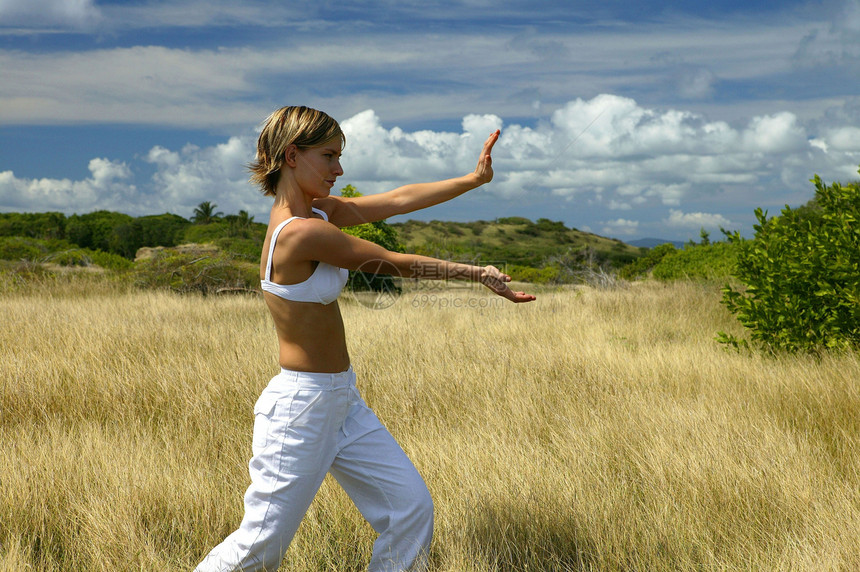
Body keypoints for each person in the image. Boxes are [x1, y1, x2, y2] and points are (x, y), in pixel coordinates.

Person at [195, 105, 535, 572]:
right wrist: (475, 273)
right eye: (330, 156)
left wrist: (472, 180)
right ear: (292, 156)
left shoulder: (319, 212)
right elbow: (391, 262)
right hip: (302, 407)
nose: (339, 169)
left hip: (342, 400)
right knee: (259, 545)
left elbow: (396, 200)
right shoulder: (300, 233)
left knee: (410, 510)